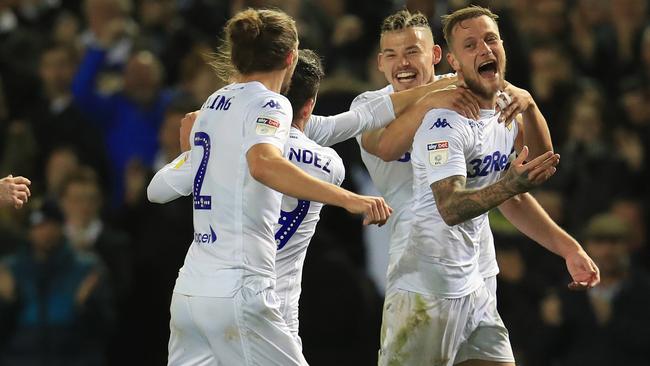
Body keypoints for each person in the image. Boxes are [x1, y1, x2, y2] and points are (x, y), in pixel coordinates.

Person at [153, 9, 391, 366]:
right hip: (240, 290)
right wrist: (349, 199)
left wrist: (193, 154)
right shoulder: (271, 102)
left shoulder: (213, 108)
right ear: (291, 58)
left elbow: (156, 191)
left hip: (191, 292)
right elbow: (263, 163)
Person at [379, 6, 600, 366]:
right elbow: (450, 207)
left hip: (476, 283)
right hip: (427, 290)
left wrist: (568, 248)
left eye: (490, 39)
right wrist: (510, 185)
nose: (484, 49)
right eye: (470, 45)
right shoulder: (444, 122)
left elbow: (528, 180)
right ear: (453, 61)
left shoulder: (506, 108)